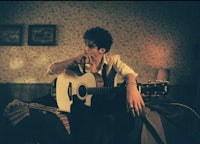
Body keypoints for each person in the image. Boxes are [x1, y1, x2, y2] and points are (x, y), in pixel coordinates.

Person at [47, 26, 145, 144]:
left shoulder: (112, 60)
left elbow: (128, 73)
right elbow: (51, 70)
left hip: (104, 102)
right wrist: (73, 60)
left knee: (120, 112)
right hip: (81, 105)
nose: (85, 48)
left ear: (102, 50)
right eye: (85, 44)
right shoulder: (79, 60)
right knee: (83, 115)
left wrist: (131, 87)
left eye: (90, 46)